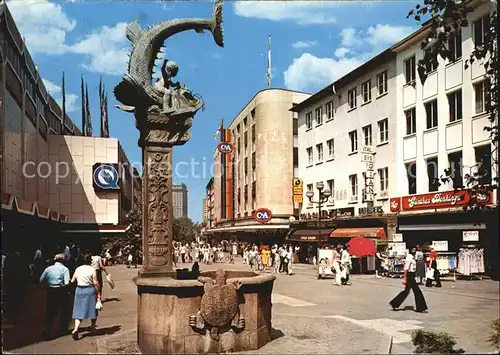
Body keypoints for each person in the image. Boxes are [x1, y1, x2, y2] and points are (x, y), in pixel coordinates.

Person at [39, 253, 71, 339]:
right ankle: (63, 329)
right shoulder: (65, 269)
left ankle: (47, 328)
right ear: (63, 260)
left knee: (50, 311)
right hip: (61, 290)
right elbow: (67, 282)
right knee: (64, 310)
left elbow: (41, 280)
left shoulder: (48, 269)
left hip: (51, 291)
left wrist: (47, 286)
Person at [71, 253, 101, 340]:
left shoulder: (78, 269)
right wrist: (98, 292)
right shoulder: (92, 270)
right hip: (89, 290)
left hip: (79, 290)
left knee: (79, 310)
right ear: (90, 261)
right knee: (92, 308)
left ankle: (76, 329)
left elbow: (73, 280)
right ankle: (92, 326)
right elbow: (95, 282)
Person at [389, 248, 428, 313]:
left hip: (412, 275)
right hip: (409, 276)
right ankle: (420, 307)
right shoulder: (409, 258)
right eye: (413, 249)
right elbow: (406, 269)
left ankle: (394, 303)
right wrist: (404, 278)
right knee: (416, 291)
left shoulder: (413, 257)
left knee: (407, 291)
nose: (414, 251)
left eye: (415, 250)